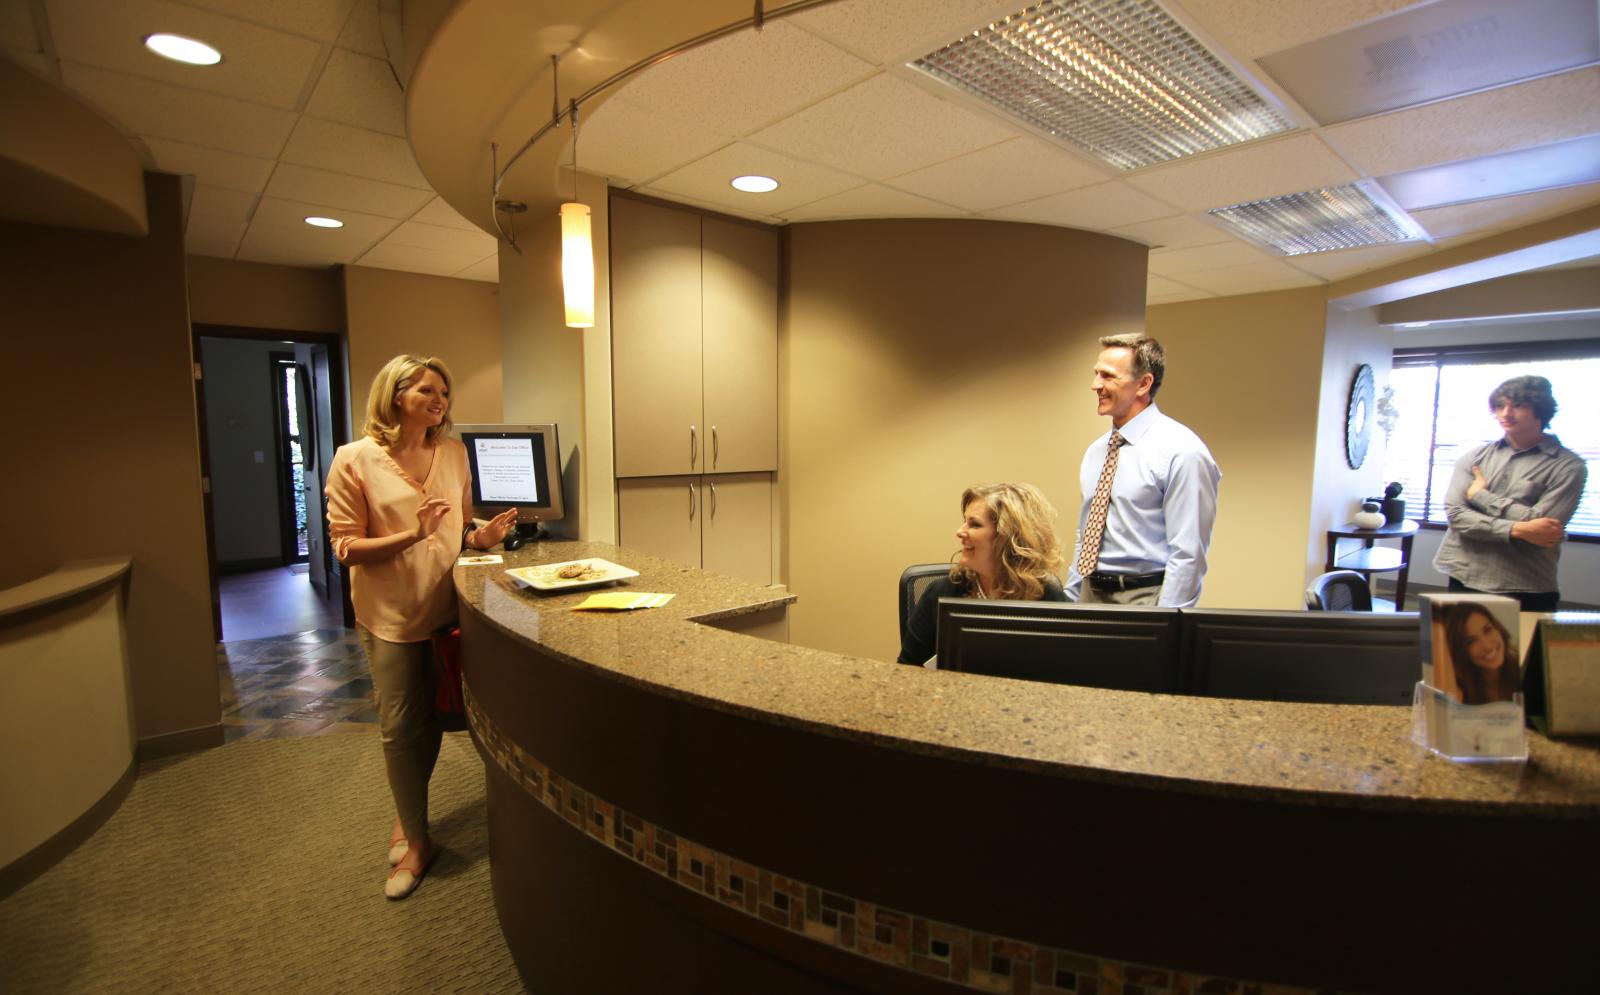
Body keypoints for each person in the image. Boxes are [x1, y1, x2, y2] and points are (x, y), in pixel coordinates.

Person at [325, 354, 518, 900]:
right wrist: (411, 535)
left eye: (444, 392)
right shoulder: (354, 460)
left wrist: (481, 537)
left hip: (446, 607)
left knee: (434, 718)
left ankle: (407, 816)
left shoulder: (454, 453)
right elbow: (346, 548)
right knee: (400, 726)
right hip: (390, 616)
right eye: (427, 390)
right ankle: (417, 842)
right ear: (394, 395)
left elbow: (457, 529)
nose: (440, 400)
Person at [1065, 333, 1220, 607]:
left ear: (1143, 384)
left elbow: (1187, 555)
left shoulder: (1182, 452)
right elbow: (1085, 535)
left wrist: (1167, 622)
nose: (1095, 385)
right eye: (1096, 374)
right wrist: (1071, 599)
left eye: (1107, 376)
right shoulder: (1096, 452)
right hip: (1090, 594)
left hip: (1144, 598)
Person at [1434, 375, 1587, 612]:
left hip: (1525, 584)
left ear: (1540, 410)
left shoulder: (1568, 466)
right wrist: (1517, 529)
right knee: (1462, 650)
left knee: (1527, 650)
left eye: (1518, 405)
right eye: (1500, 406)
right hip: (1465, 575)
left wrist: (1481, 496)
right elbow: (1456, 514)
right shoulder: (1475, 457)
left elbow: (1544, 528)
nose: (1506, 413)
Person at [898, 482, 1067, 666]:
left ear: (1007, 538)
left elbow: (1070, 671)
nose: (960, 531)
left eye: (975, 524)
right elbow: (907, 669)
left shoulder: (1046, 595)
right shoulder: (941, 592)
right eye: (965, 521)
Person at [1441, 603, 1520, 705]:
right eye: (1470, 641)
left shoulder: (1520, 667)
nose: (1486, 646)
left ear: (1497, 628)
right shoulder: (1457, 685)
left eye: (1487, 630)